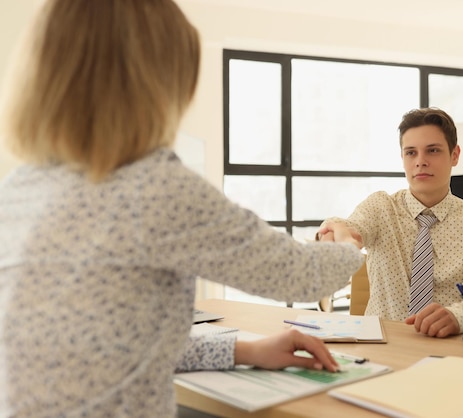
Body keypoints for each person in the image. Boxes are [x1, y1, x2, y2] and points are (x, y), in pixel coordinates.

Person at [0, 1, 364, 417]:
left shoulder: (18, 190)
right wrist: (350, 244)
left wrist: (246, 349)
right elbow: (301, 275)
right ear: (154, 87)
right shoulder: (153, 187)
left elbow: (109, 344)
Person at [318, 107, 463, 338]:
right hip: (381, 343)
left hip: (449, 348)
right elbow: (350, 227)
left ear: (455, 155)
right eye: (411, 153)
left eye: (433, 150)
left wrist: (457, 317)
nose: (420, 162)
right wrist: (336, 233)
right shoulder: (381, 207)